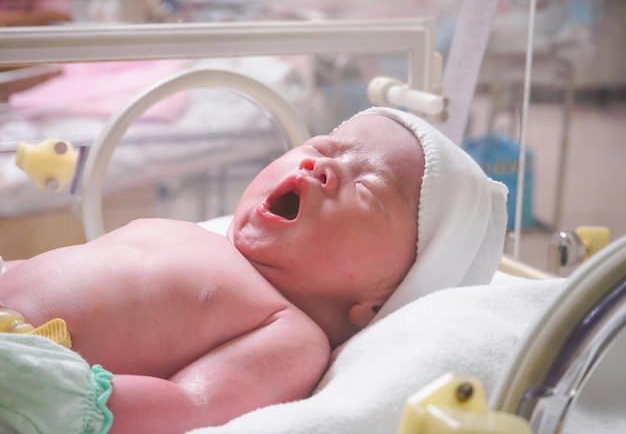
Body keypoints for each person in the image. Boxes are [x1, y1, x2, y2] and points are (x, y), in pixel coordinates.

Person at [0, 107, 508, 434]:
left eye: (368, 188)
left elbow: (193, 406)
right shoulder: (199, 236)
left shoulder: (290, 333)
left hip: (27, 374)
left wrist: (71, 401)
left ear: (379, 301)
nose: (319, 167)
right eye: (323, 147)